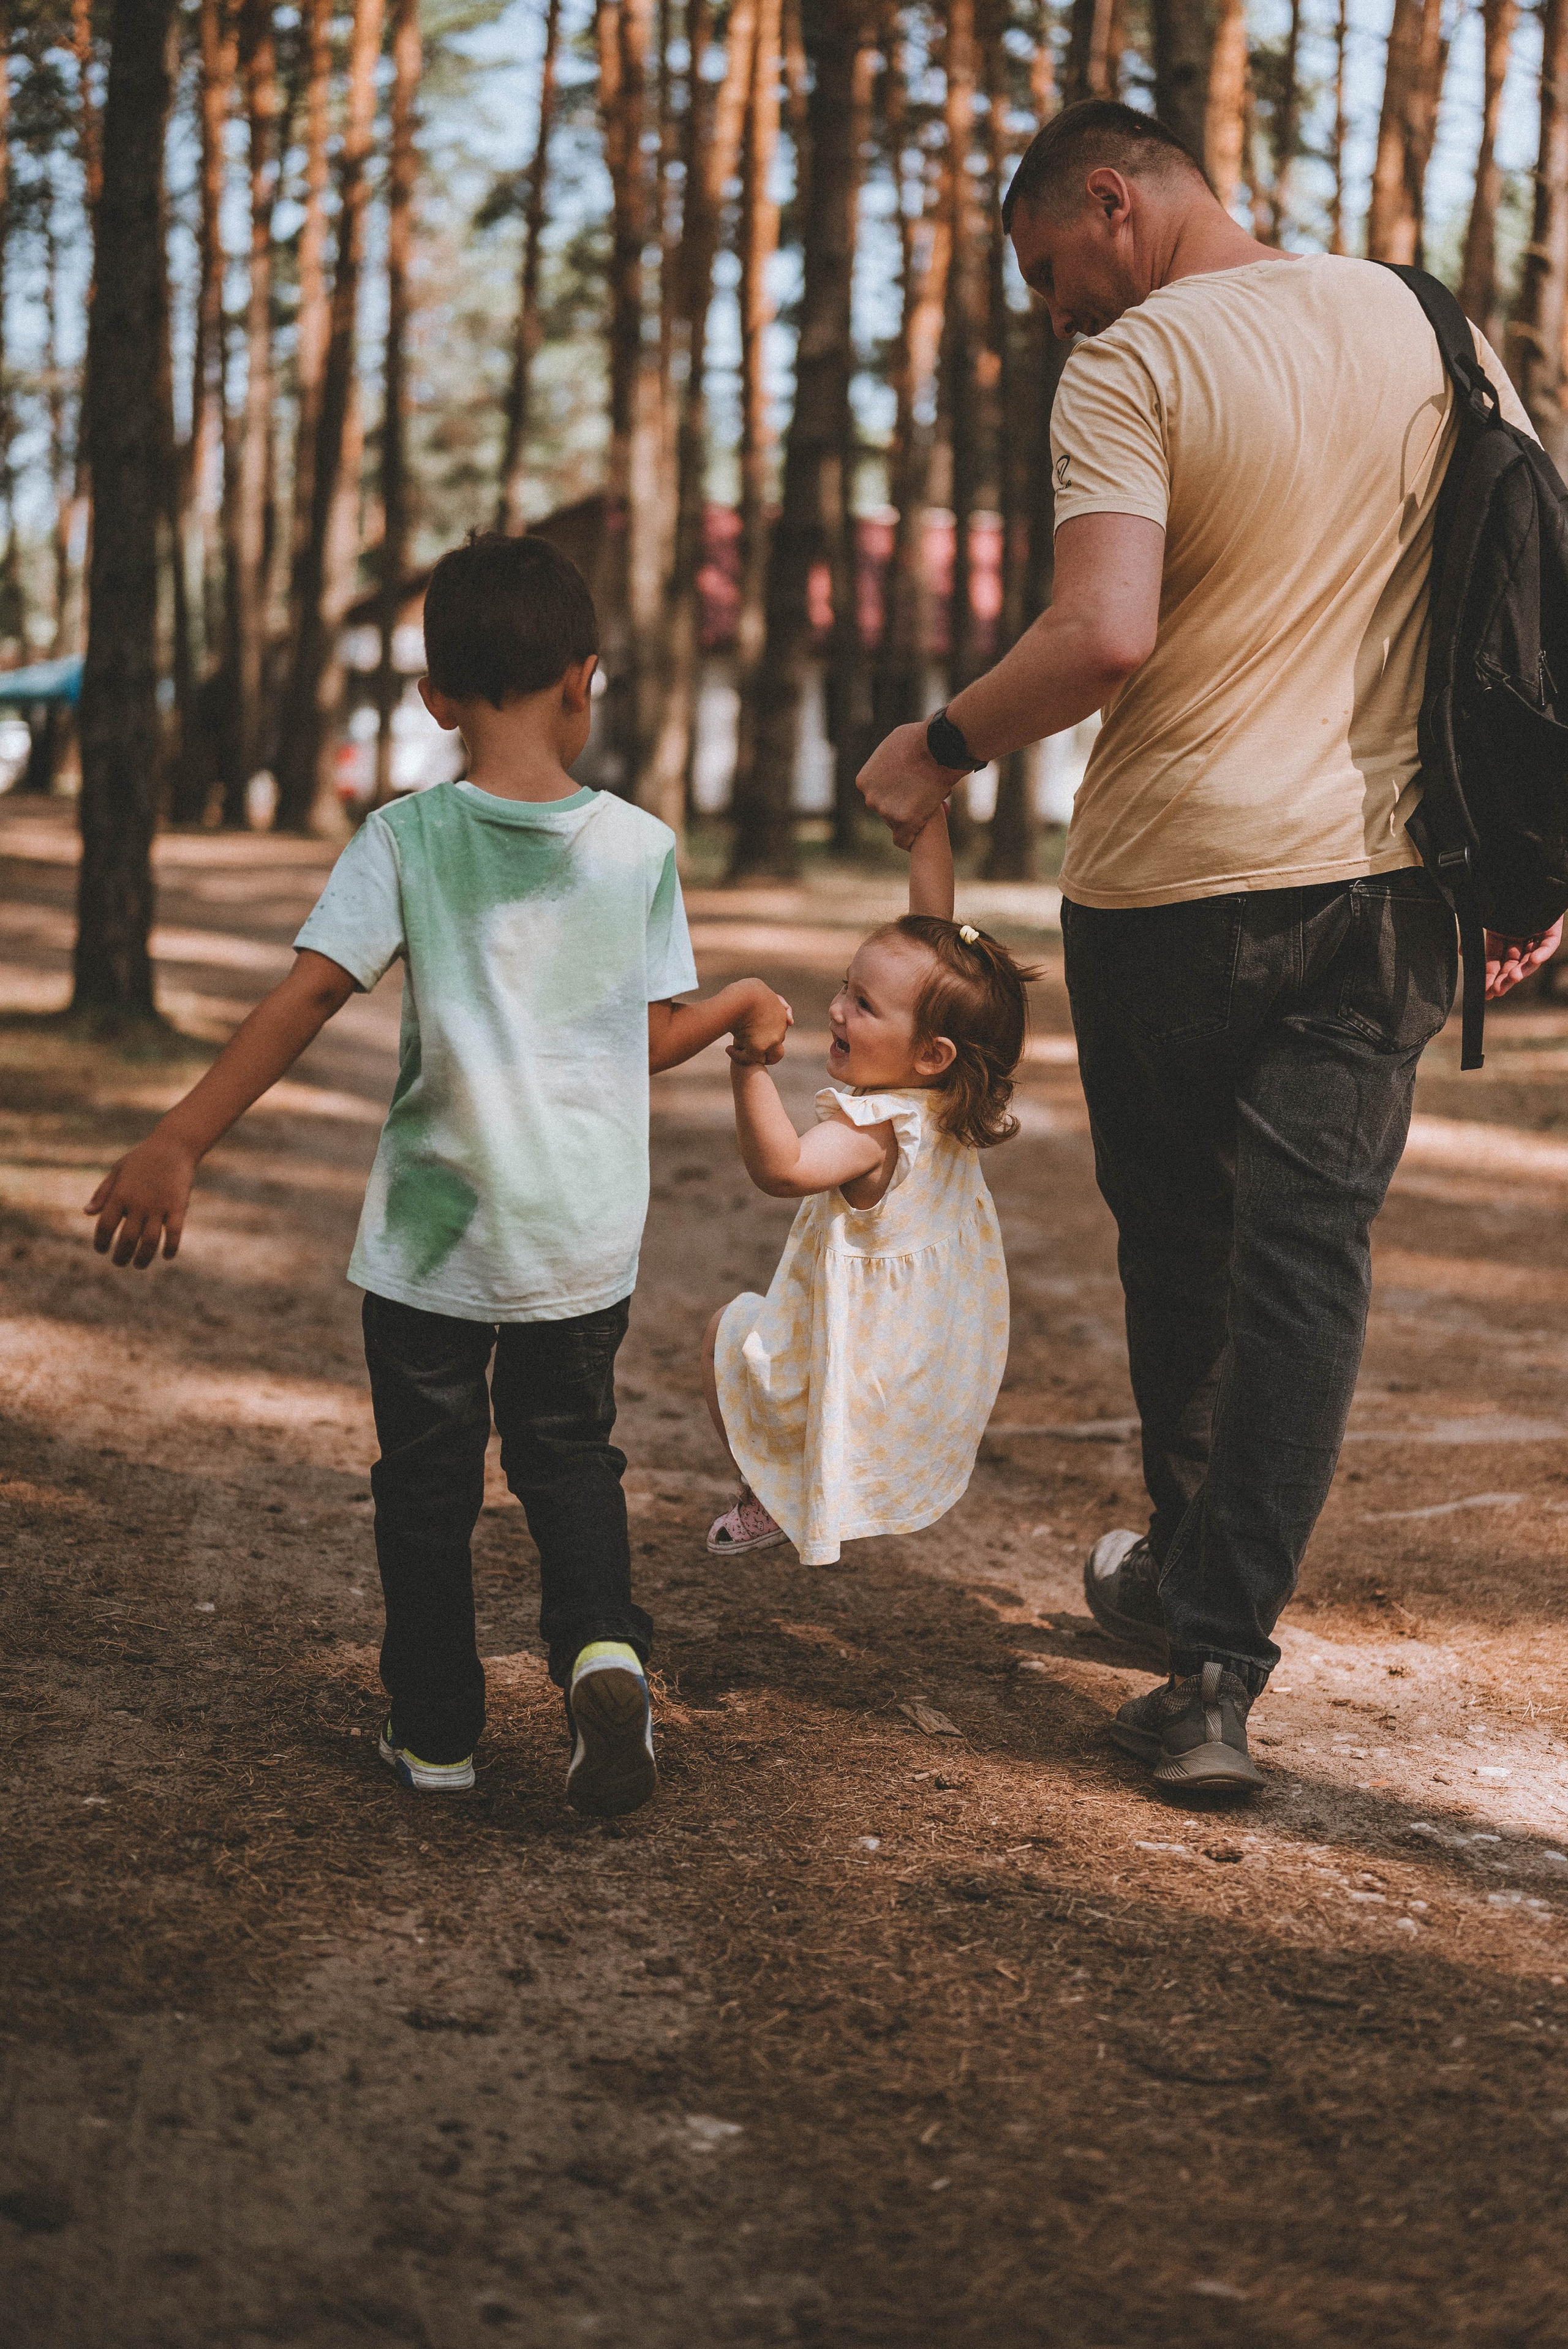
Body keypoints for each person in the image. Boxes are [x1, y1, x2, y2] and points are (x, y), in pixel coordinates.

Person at [856, 99, 1561, 1793]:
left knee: (1184, 1251)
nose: (1052, 313)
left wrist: (938, 744)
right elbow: (1536, 602)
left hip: (1174, 889)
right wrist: (1540, 867)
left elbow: (1105, 631)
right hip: (1394, 894)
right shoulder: (1432, 320)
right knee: (1306, 1262)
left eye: (1046, 271)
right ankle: (1217, 1659)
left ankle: (1189, 1583)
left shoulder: (1135, 364)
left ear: (1116, 200)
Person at [85, 530, 791, 1818]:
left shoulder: (404, 838)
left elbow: (306, 997)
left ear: (433, 698)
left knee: (425, 1482)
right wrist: (739, 998)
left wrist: (179, 1136)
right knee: (569, 1459)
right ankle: (602, 1650)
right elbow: (643, 1041)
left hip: (430, 1243)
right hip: (575, 1242)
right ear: (584, 680)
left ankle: (437, 1730)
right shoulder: (637, 847)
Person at [701, 801, 1034, 1569]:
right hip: (921, 1362)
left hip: (862, 1359)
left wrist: (748, 1066)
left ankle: (772, 1494)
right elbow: (931, 936)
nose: (836, 1008)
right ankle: (781, 1491)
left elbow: (781, 1168)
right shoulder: (946, 1098)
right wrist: (931, 829)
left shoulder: (873, 1129)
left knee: (725, 1331)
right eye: (847, 988)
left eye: (861, 1003)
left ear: (929, 1053)